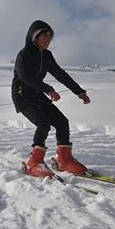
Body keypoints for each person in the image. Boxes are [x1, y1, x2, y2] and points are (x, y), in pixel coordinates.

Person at [12, 20, 91, 177]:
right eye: (45, 36)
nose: (48, 39)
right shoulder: (25, 54)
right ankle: (34, 163)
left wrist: (79, 92)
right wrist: (48, 90)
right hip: (23, 96)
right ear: (35, 36)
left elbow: (60, 74)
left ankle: (64, 160)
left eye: (50, 36)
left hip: (37, 94)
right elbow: (25, 76)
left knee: (62, 122)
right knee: (43, 123)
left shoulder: (47, 56)